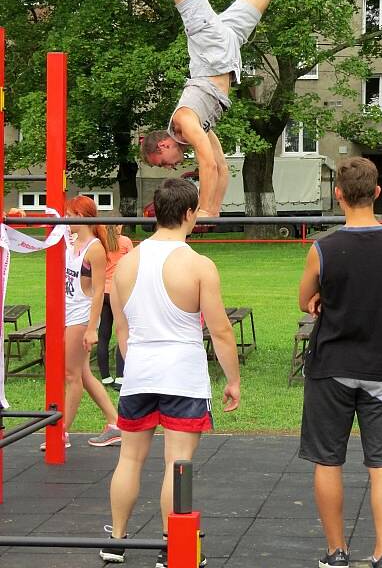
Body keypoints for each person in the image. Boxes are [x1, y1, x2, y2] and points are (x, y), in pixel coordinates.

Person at [70, 0, 334, 217]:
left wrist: (204, 210)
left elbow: (207, 164)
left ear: (163, 147)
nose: (174, 166)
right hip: (227, 48)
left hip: (211, 51)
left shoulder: (184, 121)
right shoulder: (196, 129)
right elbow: (220, 165)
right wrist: (216, 211)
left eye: (164, 164)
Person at [100, 178, 240, 568]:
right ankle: (172, 546)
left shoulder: (125, 264)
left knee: (129, 459)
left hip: (141, 373)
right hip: (182, 375)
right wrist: (233, 380)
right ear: (189, 213)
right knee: (177, 463)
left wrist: (141, 364)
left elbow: (122, 332)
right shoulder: (197, 264)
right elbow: (220, 329)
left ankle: (116, 540)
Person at [298, 157, 382, 568]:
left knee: (328, 461)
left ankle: (337, 551)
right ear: (378, 193)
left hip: (332, 365)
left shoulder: (323, 248)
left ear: (338, 194)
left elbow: (304, 299)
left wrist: (319, 297)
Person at [52, 196, 121, 450]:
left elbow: (98, 291)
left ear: (81, 217)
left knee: (71, 375)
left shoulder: (94, 249)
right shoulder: (70, 241)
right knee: (82, 372)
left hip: (81, 316)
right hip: (68, 312)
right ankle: (115, 423)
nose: (66, 219)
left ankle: (62, 432)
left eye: (70, 214)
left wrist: (92, 328)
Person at [97, 225, 133, 390]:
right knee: (122, 333)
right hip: (118, 292)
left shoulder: (101, 243)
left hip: (103, 292)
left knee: (103, 335)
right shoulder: (125, 241)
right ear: (119, 225)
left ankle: (105, 376)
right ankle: (120, 376)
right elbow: (133, 264)